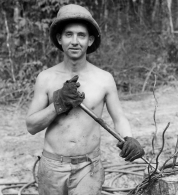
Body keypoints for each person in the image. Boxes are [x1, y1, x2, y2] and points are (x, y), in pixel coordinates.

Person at [26, 4, 145, 195]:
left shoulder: (104, 79)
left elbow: (119, 118)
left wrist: (129, 138)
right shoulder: (45, 78)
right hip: (52, 167)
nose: (75, 41)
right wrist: (58, 104)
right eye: (69, 34)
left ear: (90, 40)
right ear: (59, 38)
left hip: (88, 168)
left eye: (81, 35)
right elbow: (31, 126)